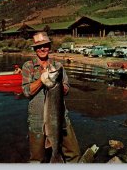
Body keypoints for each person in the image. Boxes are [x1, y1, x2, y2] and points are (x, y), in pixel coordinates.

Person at [22, 32, 80, 163]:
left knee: (74, 152)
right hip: (37, 119)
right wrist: (41, 80)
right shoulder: (28, 66)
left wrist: (59, 86)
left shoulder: (58, 66)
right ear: (35, 49)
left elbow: (67, 88)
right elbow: (26, 91)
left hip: (60, 117)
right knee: (37, 158)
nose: (42, 49)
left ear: (49, 47)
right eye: (38, 47)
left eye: (45, 46)